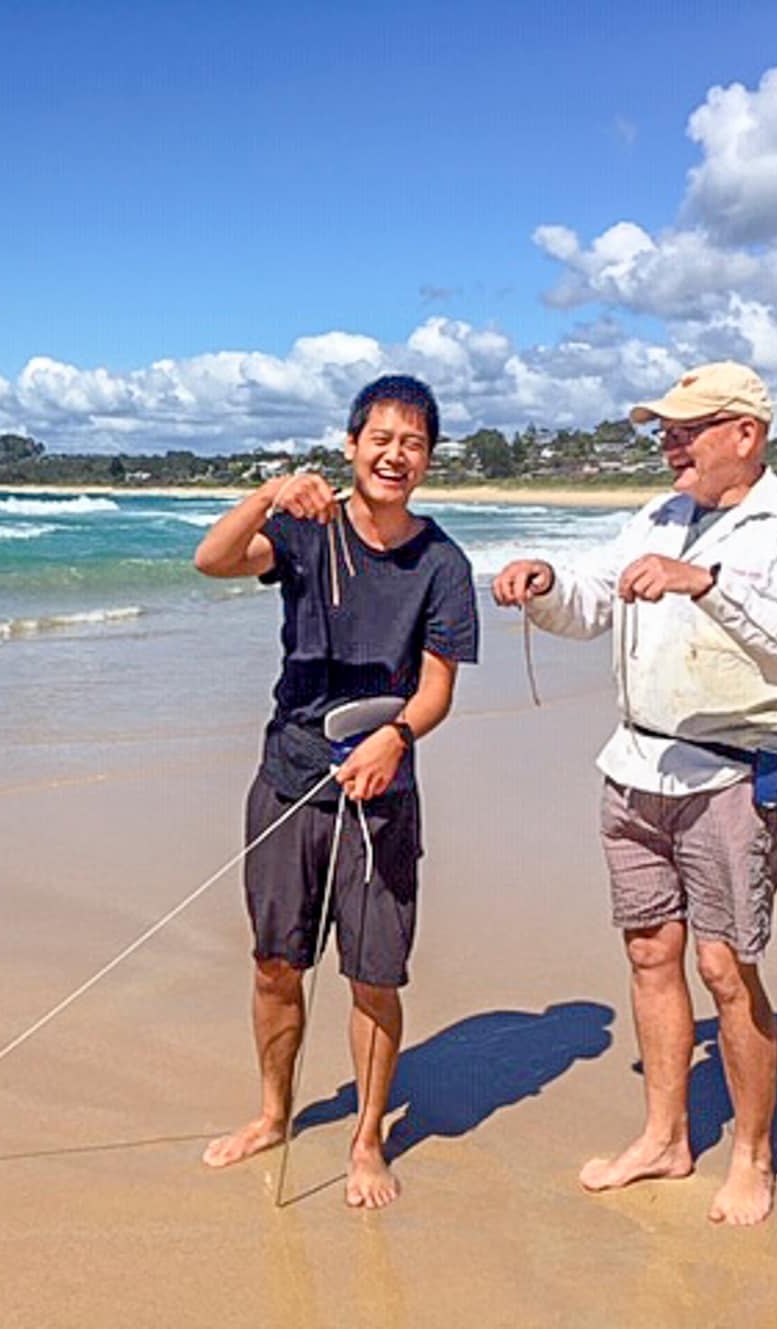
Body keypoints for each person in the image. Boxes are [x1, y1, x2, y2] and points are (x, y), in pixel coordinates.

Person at [493, 361, 777, 1226]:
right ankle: (663, 1137)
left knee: (726, 967)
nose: (670, 442)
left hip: (734, 773)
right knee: (651, 954)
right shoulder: (658, 515)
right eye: (665, 427)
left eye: (688, 427)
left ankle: (754, 1156)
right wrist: (545, 585)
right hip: (635, 768)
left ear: (746, 435)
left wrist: (711, 585)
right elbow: (594, 601)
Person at [194, 375, 478, 1207]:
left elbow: (436, 691)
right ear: (352, 445)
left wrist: (395, 738)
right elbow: (212, 559)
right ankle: (273, 1113)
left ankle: (366, 1139)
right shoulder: (305, 532)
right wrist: (269, 493)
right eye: (381, 438)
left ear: (427, 459)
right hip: (288, 778)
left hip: (382, 792)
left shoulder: (444, 564)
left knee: (373, 974)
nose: (396, 454)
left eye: (414, 442)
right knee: (277, 963)